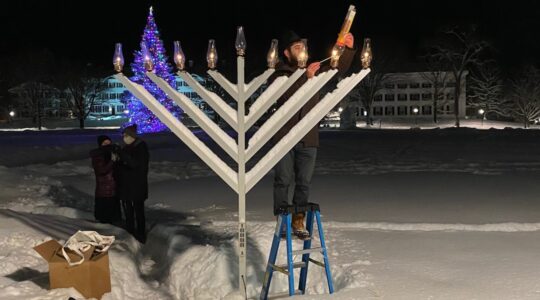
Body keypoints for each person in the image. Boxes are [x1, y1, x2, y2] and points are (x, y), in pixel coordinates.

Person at [270, 30, 356, 239]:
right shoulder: (279, 74)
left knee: (303, 181)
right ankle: (283, 221)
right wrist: (306, 78)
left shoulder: (314, 71)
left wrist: (348, 49)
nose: (302, 51)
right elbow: (287, 97)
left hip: (308, 137)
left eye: (303, 47)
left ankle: (298, 221)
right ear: (287, 53)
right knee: (283, 179)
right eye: (296, 48)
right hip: (284, 137)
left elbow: (338, 66)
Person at [116, 124, 149, 243]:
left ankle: (140, 235)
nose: (124, 138)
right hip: (126, 186)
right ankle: (130, 233)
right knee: (128, 212)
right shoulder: (126, 148)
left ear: (132, 136)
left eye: (126, 135)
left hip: (137, 186)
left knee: (138, 212)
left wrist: (122, 155)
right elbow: (123, 166)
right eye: (123, 135)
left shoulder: (140, 147)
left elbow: (135, 164)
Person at [89, 135, 121, 224]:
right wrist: (112, 161)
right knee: (105, 218)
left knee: (113, 218)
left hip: (113, 190)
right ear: (100, 144)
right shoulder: (98, 156)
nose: (108, 145)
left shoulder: (111, 153)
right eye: (105, 143)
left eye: (109, 143)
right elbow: (101, 171)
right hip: (104, 191)